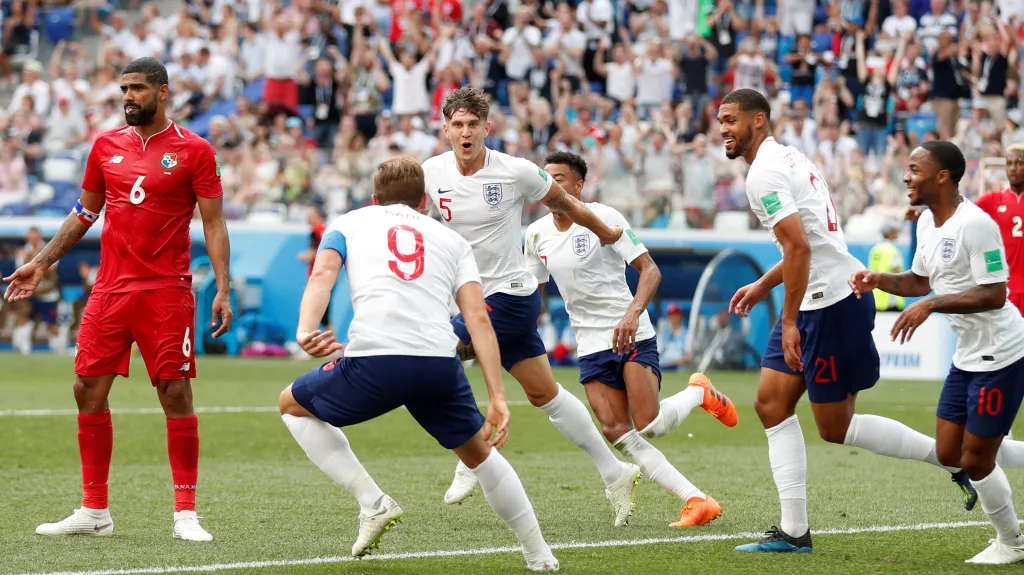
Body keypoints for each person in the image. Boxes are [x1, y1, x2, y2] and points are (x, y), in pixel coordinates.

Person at [717, 88, 978, 554]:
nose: (723, 130)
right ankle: (794, 532)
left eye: (731, 120)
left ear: (759, 121)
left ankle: (951, 460)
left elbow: (800, 247)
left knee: (834, 427)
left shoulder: (765, 173)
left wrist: (790, 320)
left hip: (830, 304)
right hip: (815, 297)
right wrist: (764, 287)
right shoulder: (791, 158)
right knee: (771, 405)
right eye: (720, 121)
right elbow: (807, 244)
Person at [277, 156, 559, 572]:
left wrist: (305, 331)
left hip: (376, 362)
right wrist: (498, 395)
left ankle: (373, 503)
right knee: (479, 455)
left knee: (290, 404)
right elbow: (478, 319)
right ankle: (540, 555)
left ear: (374, 199)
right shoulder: (451, 240)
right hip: (438, 364)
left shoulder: (348, 222)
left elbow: (322, 275)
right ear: (424, 200)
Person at [2, 57, 232, 541]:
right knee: (86, 390)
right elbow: (84, 213)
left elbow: (213, 223)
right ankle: (94, 510)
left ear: (163, 92)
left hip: (166, 290)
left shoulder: (195, 150)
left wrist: (223, 289)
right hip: (109, 289)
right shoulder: (105, 146)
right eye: (124, 88)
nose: (129, 96)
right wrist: (41, 262)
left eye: (138, 89)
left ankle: (186, 513)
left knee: (174, 392)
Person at [423, 86, 643, 527]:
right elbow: (423, 225)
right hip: (469, 295)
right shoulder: (430, 173)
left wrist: (607, 232)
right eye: (457, 125)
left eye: (473, 125)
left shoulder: (516, 171)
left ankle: (470, 457)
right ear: (446, 129)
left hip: (511, 294)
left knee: (438, 355)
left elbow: (564, 202)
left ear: (488, 128)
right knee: (545, 394)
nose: (465, 133)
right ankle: (616, 471)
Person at [525, 151, 737, 527]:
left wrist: (633, 313)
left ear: (578, 186)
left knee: (649, 423)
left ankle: (699, 393)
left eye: (559, 178)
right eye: (545, 178)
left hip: (631, 335)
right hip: (590, 345)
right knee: (616, 432)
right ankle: (696, 499)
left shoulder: (605, 218)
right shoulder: (536, 234)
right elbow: (534, 294)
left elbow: (650, 271)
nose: (550, 186)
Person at [851, 141, 1024, 564]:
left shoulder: (975, 224)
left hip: (1002, 353)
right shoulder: (927, 223)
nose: (906, 176)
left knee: (976, 459)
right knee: (950, 453)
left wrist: (931, 305)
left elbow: (995, 293)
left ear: (942, 176)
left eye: (914, 169)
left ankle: (1013, 543)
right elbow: (918, 281)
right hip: (969, 353)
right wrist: (880, 279)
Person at [973, 144, 1024, 315]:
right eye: (1009, 163)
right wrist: (923, 212)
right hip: (1004, 291)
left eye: (1019, 163)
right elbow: (959, 213)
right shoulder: (993, 200)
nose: (1013, 168)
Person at [867, 221, 906, 311]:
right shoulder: (892, 250)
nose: (897, 233)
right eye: (895, 231)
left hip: (876, 297)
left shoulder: (875, 249)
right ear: (891, 233)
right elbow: (897, 273)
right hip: (890, 300)